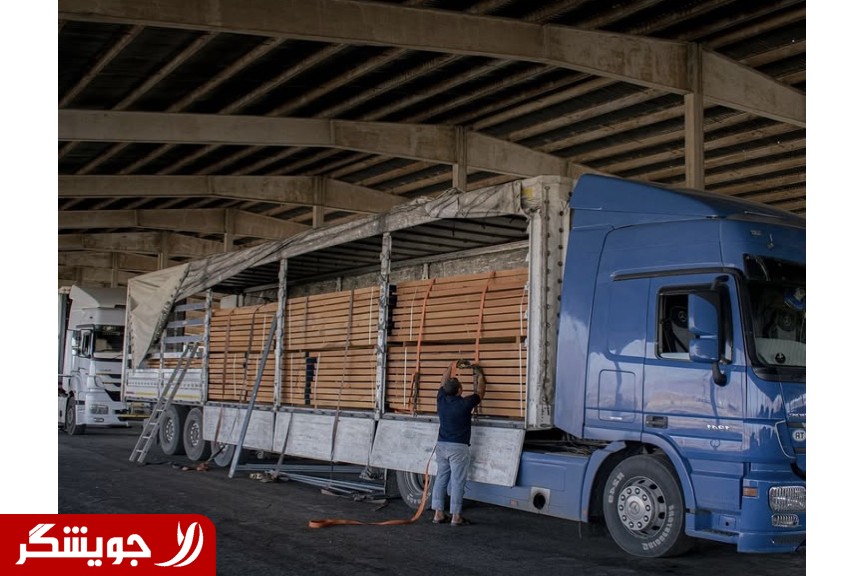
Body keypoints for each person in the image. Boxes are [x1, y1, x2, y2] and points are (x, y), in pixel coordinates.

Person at [431, 359, 486, 526]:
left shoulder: (441, 400)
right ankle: (456, 516)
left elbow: (443, 381)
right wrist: (479, 374)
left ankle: (438, 514)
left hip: (441, 446)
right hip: (458, 448)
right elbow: (480, 392)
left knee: (441, 478)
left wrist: (451, 365)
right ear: (460, 390)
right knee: (457, 481)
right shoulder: (465, 403)